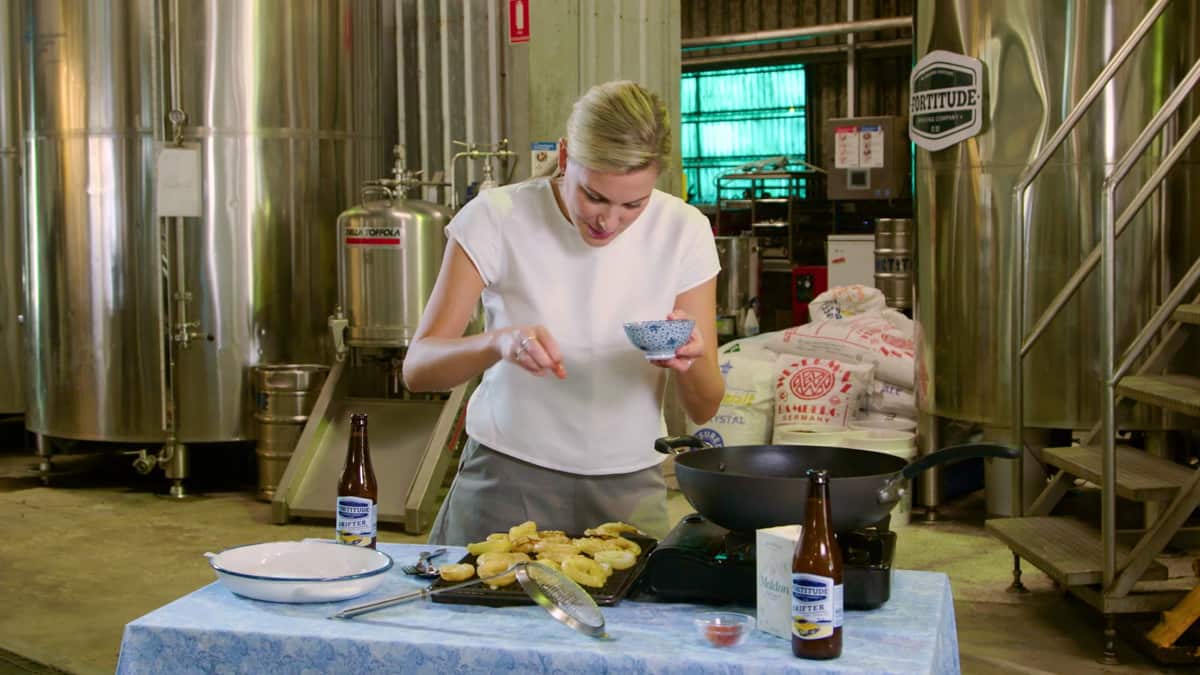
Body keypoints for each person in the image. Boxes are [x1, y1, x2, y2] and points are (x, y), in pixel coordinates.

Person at [403, 80, 724, 545]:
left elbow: (705, 406)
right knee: (475, 592)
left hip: (630, 484)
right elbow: (418, 370)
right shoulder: (496, 216)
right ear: (565, 156)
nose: (609, 221)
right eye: (594, 196)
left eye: (634, 204)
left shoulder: (684, 230)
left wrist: (689, 363)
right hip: (507, 477)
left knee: (638, 595)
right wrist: (499, 342)